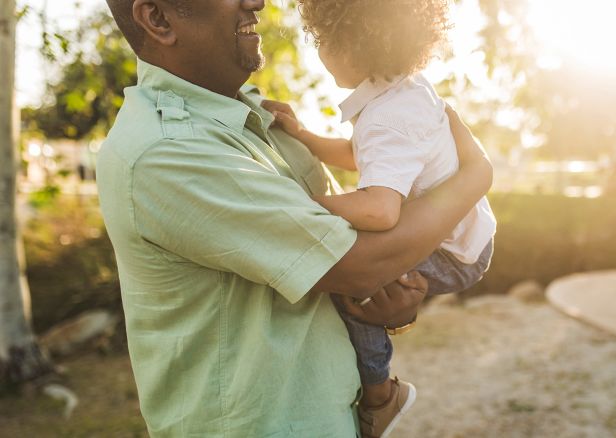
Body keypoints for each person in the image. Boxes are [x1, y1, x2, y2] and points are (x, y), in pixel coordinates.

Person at [97, 0, 492, 436]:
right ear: (157, 18)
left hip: (328, 417)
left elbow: (359, 238)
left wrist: (392, 300)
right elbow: (360, 263)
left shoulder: (257, 115)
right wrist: (475, 178)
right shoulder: (169, 151)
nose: (257, 2)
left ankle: (379, 393)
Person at [262, 0, 497, 436]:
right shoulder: (402, 91)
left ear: (349, 44)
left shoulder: (388, 117)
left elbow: (379, 209)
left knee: (357, 287)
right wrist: (306, 137)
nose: (319, 50)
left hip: (455, 252)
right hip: (471, 234)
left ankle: (380, 394)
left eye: (321, 40)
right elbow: (363, 157)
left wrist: (305, 202)